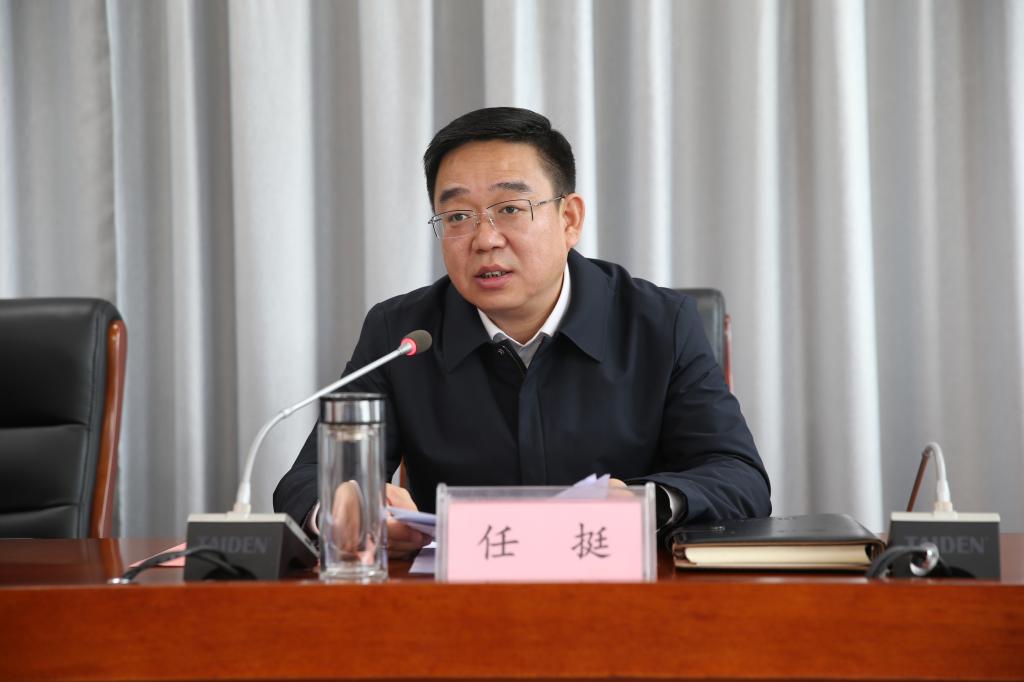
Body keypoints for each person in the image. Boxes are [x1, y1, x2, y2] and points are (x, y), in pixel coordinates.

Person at [274, 107, 771, 556]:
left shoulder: (660, 324)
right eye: (458, 216)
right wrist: (345, 510)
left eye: (510, 209)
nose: (485, 239)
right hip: (459, 604)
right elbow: (307, 480)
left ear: (569, 218)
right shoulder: (402, 334)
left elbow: (739, 477)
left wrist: (650, 503)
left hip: (626, 599)